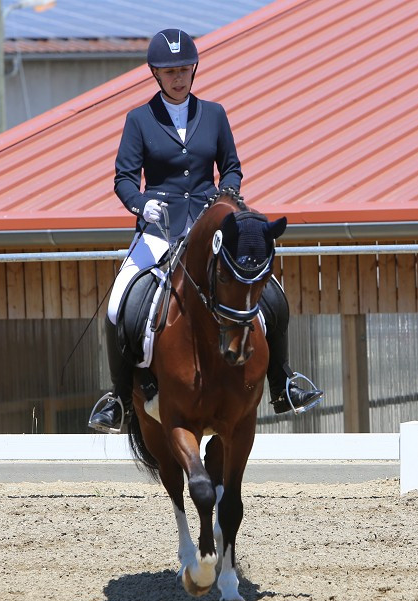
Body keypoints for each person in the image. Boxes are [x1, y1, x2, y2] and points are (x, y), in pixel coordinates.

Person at [89, 28, 323, 433]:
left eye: (184, 69)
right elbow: (124, 179)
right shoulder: (139, 120)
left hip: (210, 225)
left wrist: (227, 194)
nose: (178, 77)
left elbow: (231, 165)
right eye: (169, 71)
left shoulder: (213, 113)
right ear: (155, 74)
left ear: (193, 70)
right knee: (117, 303)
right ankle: (118, 398)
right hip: (160, 229)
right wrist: (143, 203)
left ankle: (283, 381)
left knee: (273, 294)